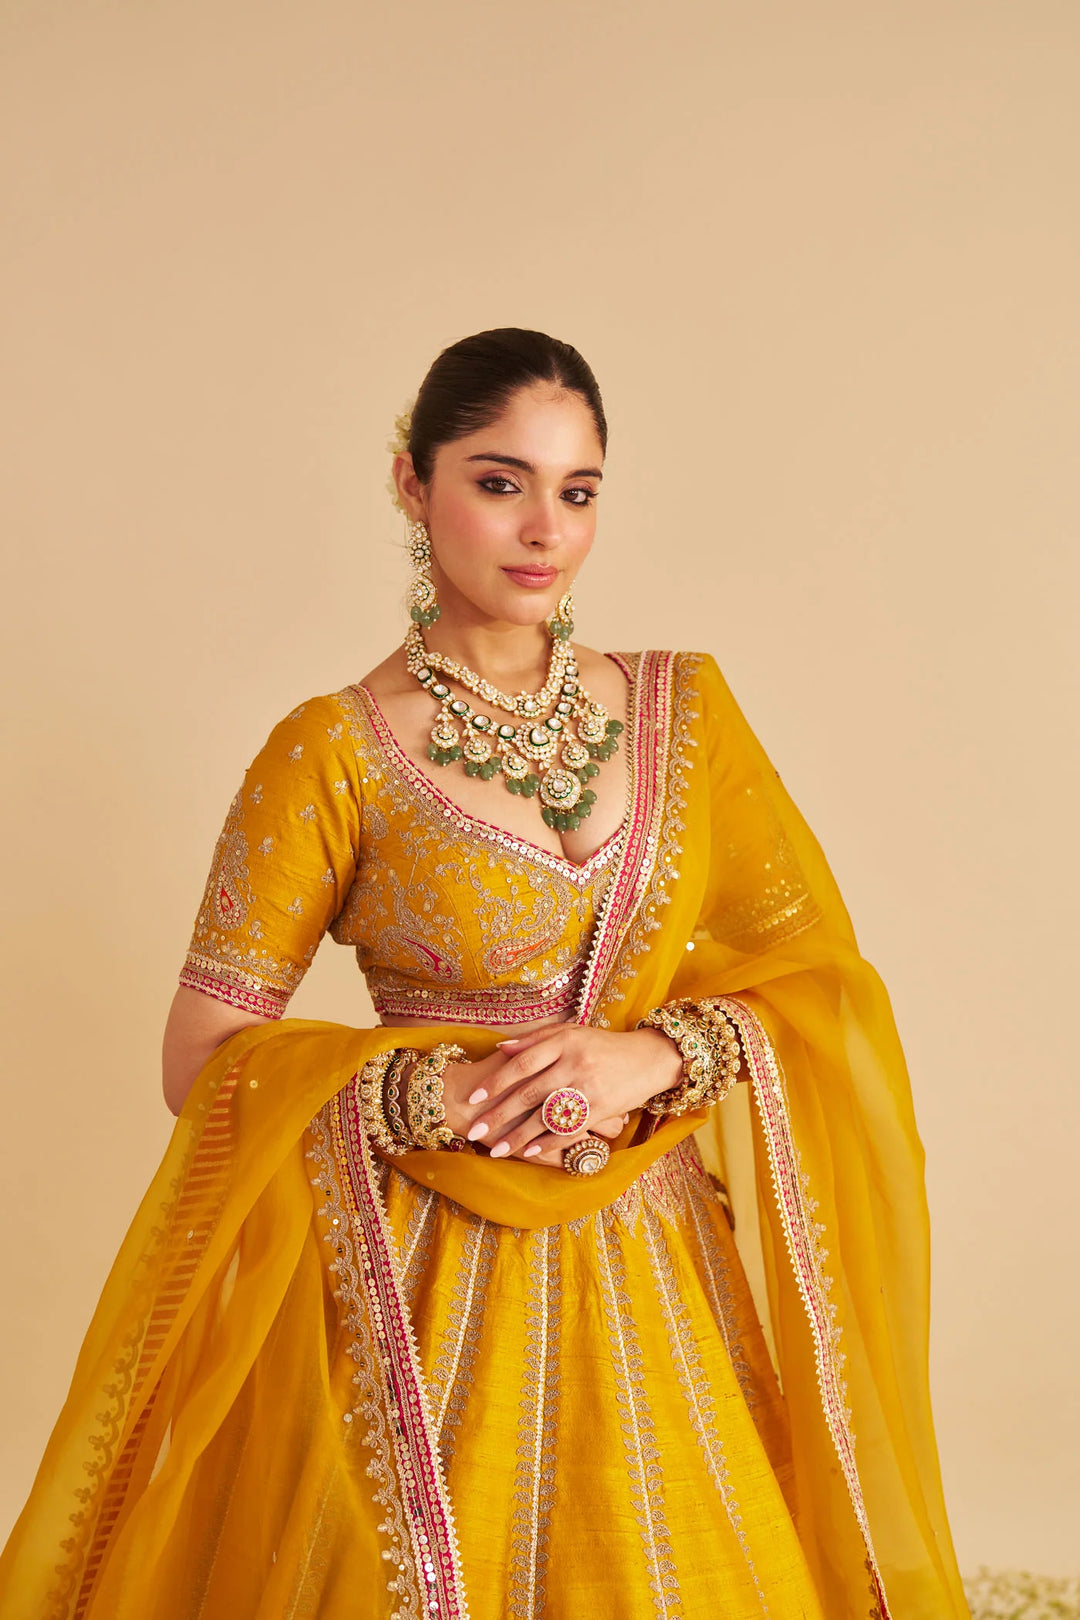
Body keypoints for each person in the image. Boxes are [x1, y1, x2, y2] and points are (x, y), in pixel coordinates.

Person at [0, 328, 970, 1619]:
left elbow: (817, 982)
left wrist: (660, 1051)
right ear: (414, 484)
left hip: (658, 1256)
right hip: (425, 1267)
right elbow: (203, 1060)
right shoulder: (331, 756)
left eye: (577, 492)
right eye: (499, 481)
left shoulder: (688, 713)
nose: (544, 530)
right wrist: (434, 1096)